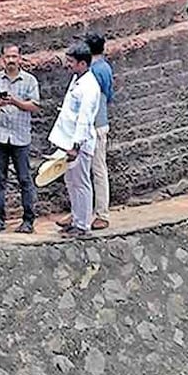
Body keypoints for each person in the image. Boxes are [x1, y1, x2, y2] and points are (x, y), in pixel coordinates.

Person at [0, 44, 41, 234]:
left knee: (24, 179)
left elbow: (35, 106)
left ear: (20, 58)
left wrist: (15, 102)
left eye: (14, 57)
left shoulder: (30, 80)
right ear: (2, 59)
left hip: (20, 136)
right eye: (8, 57)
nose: (11, 60)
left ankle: (28, 220)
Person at [48, 42, 102, 239]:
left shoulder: (89, 87)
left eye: (71, 61)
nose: (68, 64)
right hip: (68, 141)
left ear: (82, 64)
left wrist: (76, 146)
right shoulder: (77, 79)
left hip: (79, 144)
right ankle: (76, 219)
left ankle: (83, 225)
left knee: (81, 184)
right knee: (71, 183)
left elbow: (84, 119)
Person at [85, 33, 114, 230]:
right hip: (96, 122)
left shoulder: (96, 70)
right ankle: (84, 209)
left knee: (97, 169)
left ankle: (102, 212)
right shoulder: (103, 67)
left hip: (95, 124)